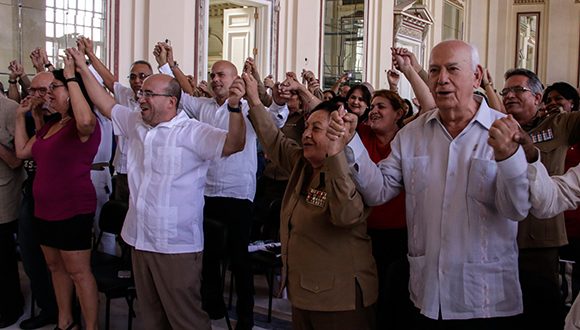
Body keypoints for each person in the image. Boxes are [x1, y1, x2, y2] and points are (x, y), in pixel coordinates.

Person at [332, 40, 530, 329]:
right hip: (427, 295)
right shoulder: (412, 134)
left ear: (476, 76)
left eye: (452, 69)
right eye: (435, 70)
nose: (441, 79)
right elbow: (378, 190)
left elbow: (517, 208)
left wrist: (509, 157)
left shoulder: (504, 131)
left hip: (485, 299)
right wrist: (352, 142)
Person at [70, 45, 246, 329]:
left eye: (149, 94)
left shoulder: (192, 132)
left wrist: (236, 108)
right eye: (141, 94)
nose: (141, 98)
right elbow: (104, 102)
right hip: (139, 239)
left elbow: (235, 143)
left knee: (185, 319)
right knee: (150, 317)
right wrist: (81, 65)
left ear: (171, 102)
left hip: (175, 246)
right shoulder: (136, 124)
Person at [156, 43, 288, 329]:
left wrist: (275, 100)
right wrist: (167, 65)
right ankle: (214, 312)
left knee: (239, 261)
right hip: (206, 193)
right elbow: (178, 93)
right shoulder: (202, 106)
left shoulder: (246, 109)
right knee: (209, 258)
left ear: (234, 80)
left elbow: (274, 118)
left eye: (222, 75)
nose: (216, 80)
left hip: (238, 194)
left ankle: (245, 318)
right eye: (213, 75)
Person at [244, 70, 378, 329]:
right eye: (306, 127)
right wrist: (254, 101)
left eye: (316, 128)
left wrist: (337, 155)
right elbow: (274, 141)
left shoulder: (352, 171)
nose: (306, 134)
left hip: (339, 300)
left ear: (336, 134)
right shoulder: (303, 164)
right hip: (305, 293)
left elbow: (346, 216)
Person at [14, 52, 101, 330]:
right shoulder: (52, 123)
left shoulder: (83, 124)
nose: (48, 94)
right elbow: (23, 151)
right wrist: (22, 116)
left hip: (72, 207)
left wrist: (73, 77)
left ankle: (90, 327)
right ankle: (65, 322)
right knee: (55, 268)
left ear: (71, 91)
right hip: (45, 208)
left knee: (78, 272)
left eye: (55, 88)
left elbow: (85, 121)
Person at [501, 69, 580, 329]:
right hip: (501, 234)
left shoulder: (560, 124)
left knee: (541, 308)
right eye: (505, 92)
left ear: (537, 97)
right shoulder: (497, 126)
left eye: (518, 90)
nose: (509, 96)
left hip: (540, 233)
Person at [358, 89, 412, 329]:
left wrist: (410, 70)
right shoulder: (362, 134)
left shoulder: (409, 139)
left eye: (381, 107)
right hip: (365, 230)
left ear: (398, 113)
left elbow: (431, 107)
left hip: (400, 232)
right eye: (372, 107)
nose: (374, 111)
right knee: (369, 292)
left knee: (394, 294)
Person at [77, 36, 153, 203]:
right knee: (120, 218)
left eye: (142, 76)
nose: (137, 81)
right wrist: (90, 53)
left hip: (143, 172)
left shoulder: (157, 103)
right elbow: (108, 79)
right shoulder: (124, 95)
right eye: (133, 77)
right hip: (122, 171)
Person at [16, 71, 60, 330]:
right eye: (31, 91)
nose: (33, 96)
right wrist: (24, 115)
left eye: (39, 91)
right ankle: (48, 306)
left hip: (57, 195)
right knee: (31, 254)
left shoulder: (65, 120)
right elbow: (23, 152)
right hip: (34, 189)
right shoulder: (39, 117)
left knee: (58, 262)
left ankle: (63, 309)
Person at [0, 88, 25, 328]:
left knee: (4, 257)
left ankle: (11, 307)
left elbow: (17, 159)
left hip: (4, 195)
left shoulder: (9, 109)